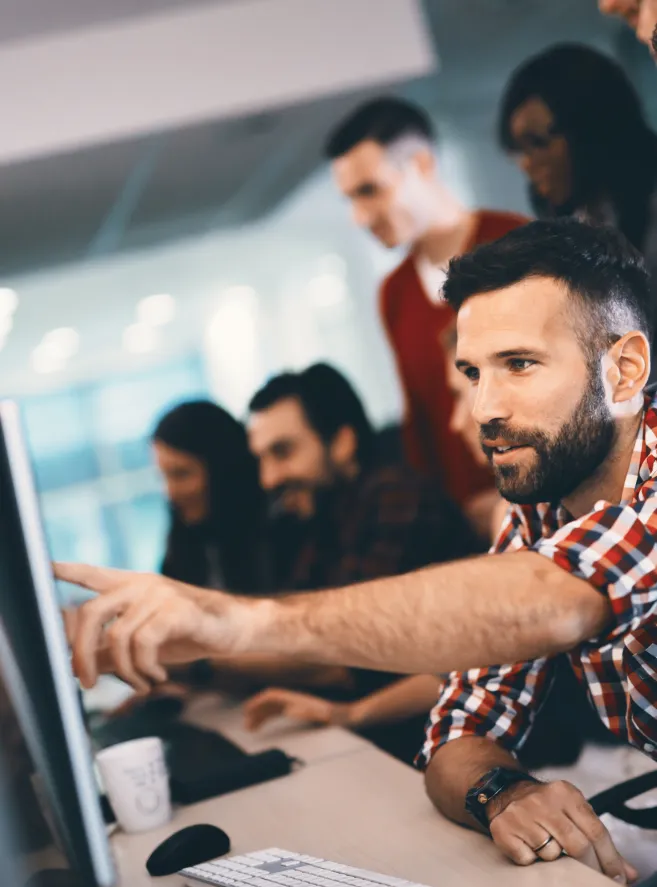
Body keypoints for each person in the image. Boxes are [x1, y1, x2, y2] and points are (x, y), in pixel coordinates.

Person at [58, 219, 657, 882]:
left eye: (518, 364)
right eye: (470, 372)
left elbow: (553, 599)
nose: (483, 407)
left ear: (624, 370)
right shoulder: (540, 510)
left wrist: (234, 621)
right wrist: (503, 792)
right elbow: (456, 731)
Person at [245, 363, 481, 762]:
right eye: (261, 460)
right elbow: (294, 627)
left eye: (282, 452)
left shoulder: (397, 497)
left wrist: (197, 661)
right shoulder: (318, 515)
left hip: (446, 740)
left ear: (341, 442)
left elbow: (343, 653)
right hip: (393, 737)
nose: (268, 479)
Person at [325, 97, 528, 513]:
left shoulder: (518, 243)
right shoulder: (395, 293)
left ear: (420, 165)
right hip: (467, 520)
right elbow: (421, 424)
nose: (360, 217)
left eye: (369, 191)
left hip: (544, 493)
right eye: (350, 199)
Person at [499, 43, 657, 343]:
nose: (527, 165)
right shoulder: (579, 219)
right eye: (519, 150)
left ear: (590, 130)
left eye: (538, 142)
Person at [153, 400, 268, 593]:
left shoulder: (279, 536)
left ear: (223, 470)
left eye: (181, 474)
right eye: (163, 476)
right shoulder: (182, 544)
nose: (169, 492)